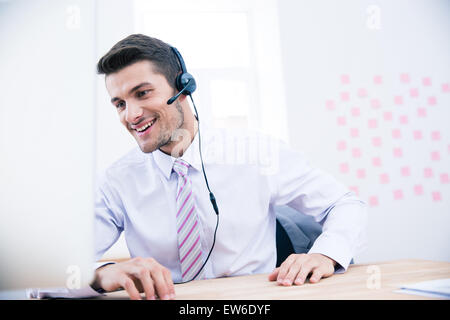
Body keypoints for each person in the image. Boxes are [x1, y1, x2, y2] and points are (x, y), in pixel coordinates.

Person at [89, 34, 367, 300]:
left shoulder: (256, 153)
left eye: (143, 93)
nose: (131, 114)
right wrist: (102, 274)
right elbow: (62, 268)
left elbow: (344, 203)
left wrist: (326, 254)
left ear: (183, 87)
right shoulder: (117, 181)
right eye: (120, 104)